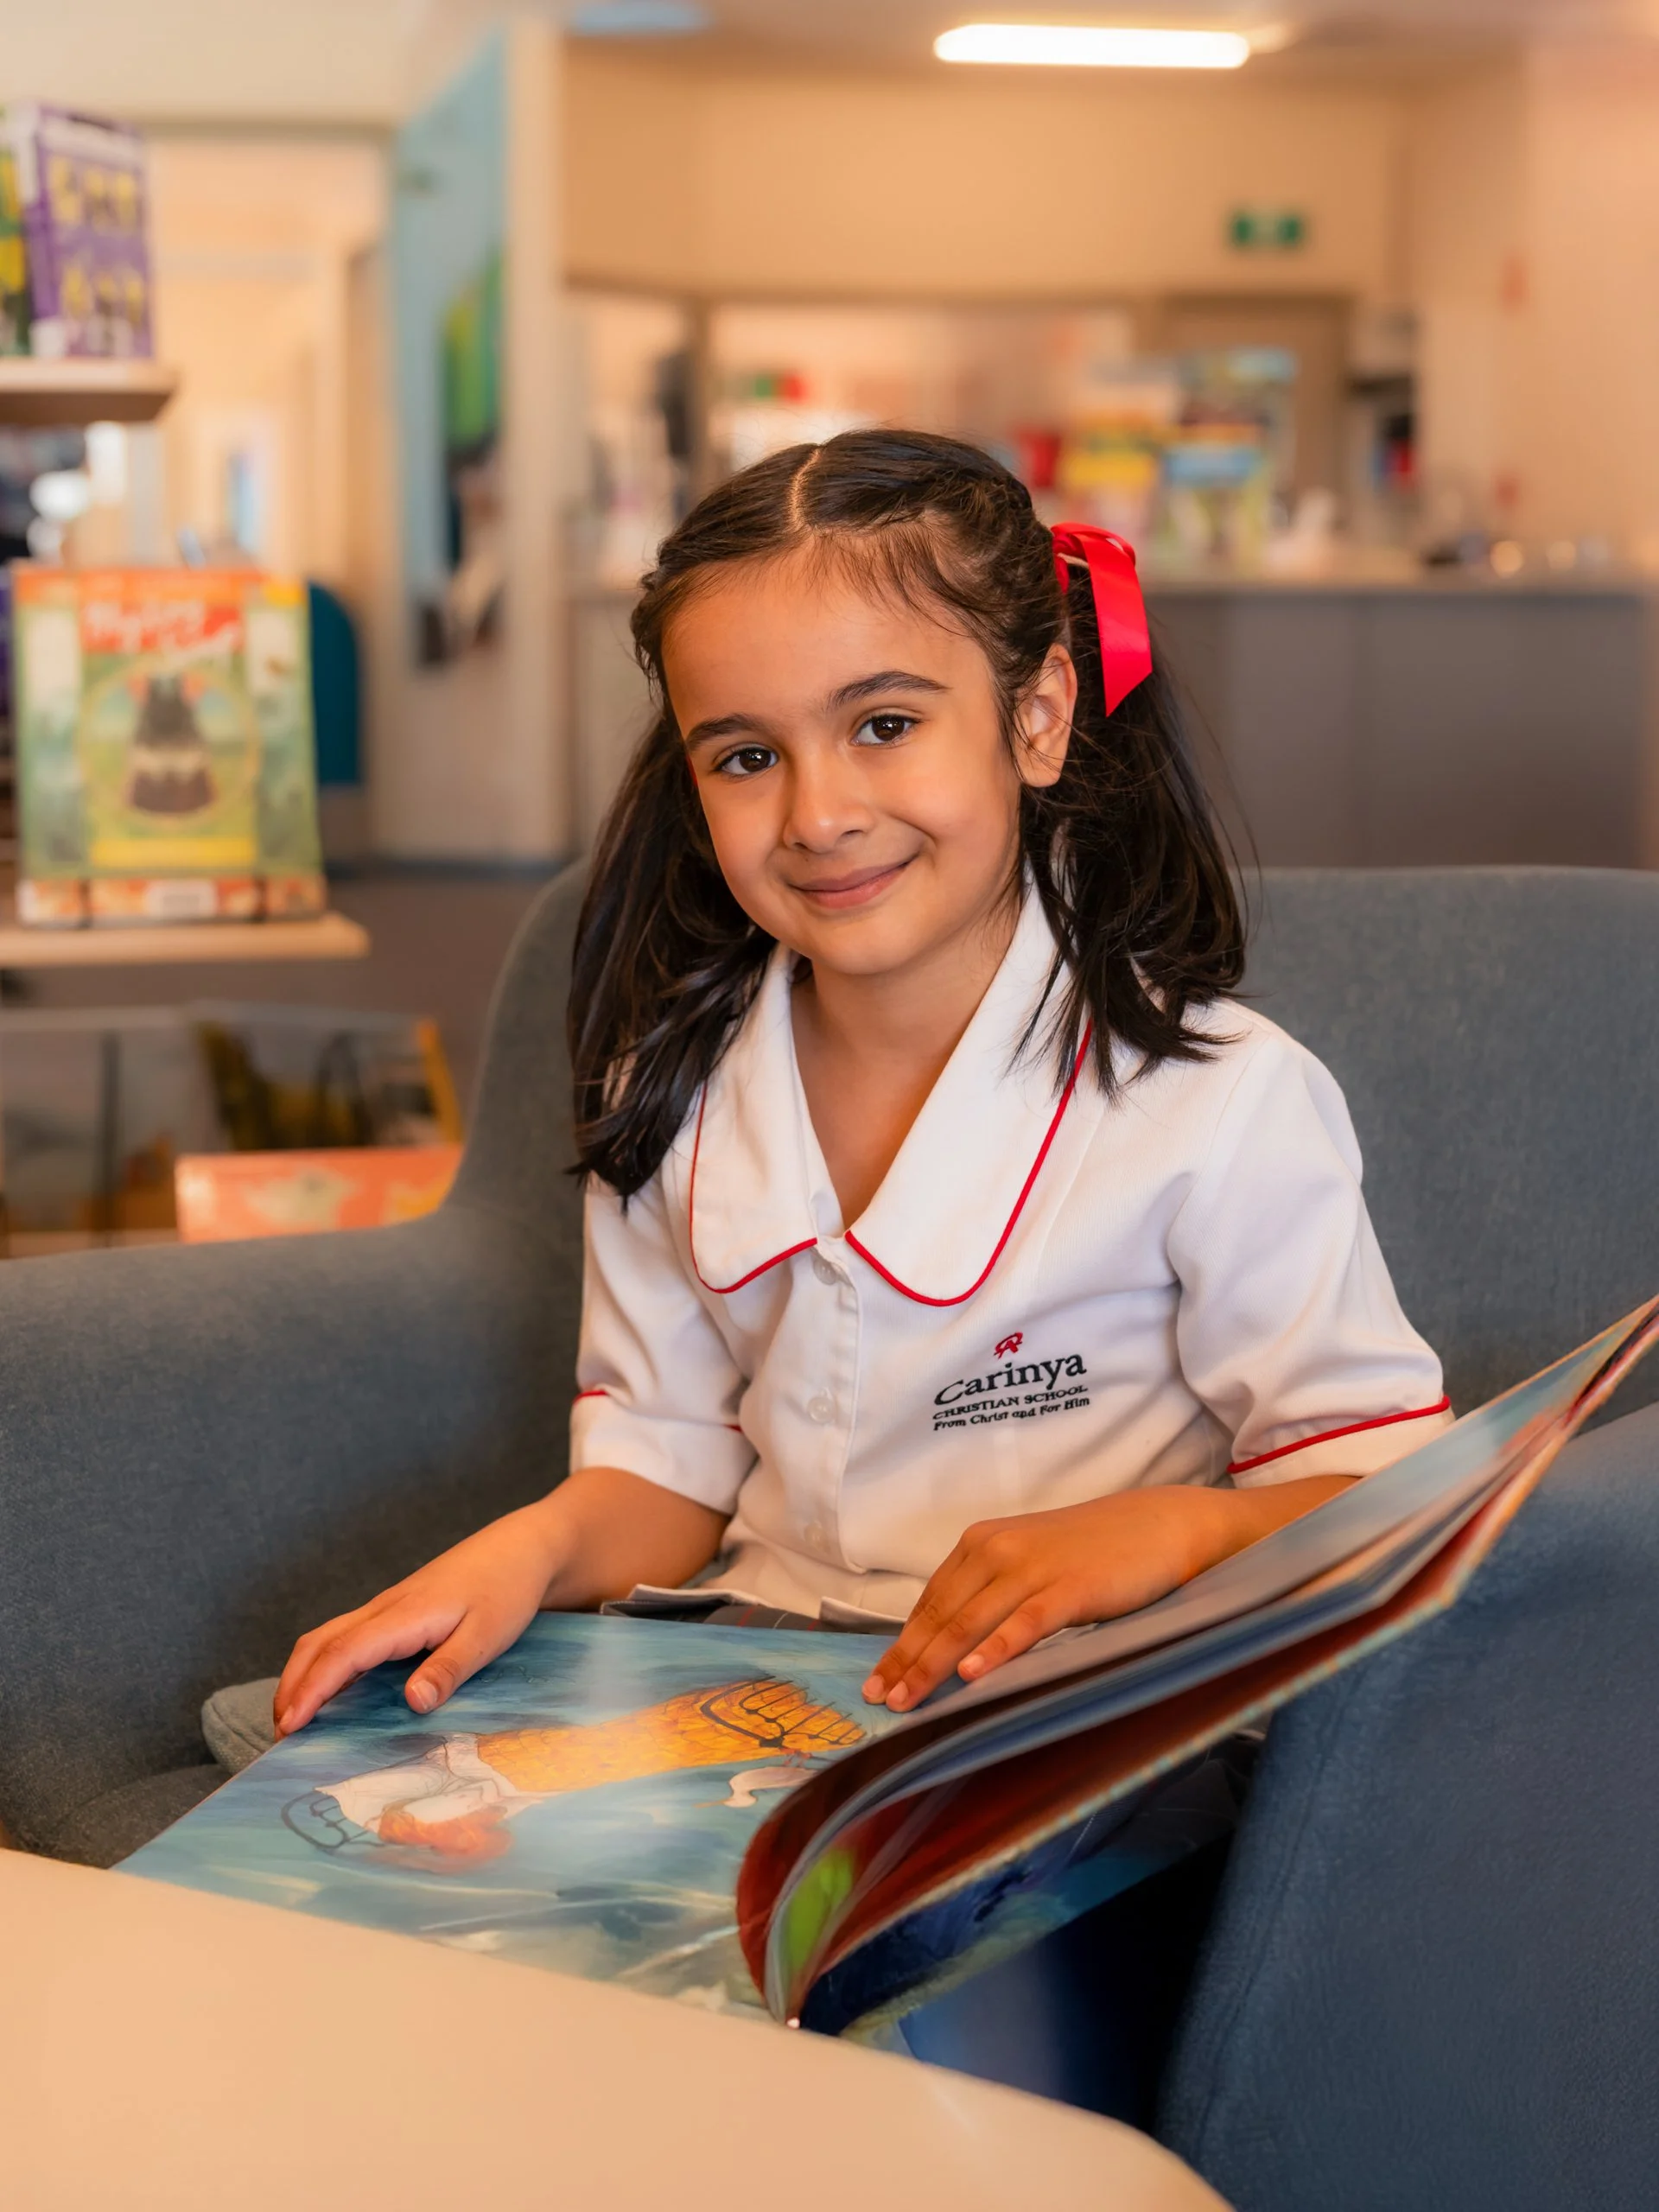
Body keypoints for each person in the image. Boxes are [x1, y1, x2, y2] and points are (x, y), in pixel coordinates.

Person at [273, 429, 1450, 1742]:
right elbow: (670, 1468)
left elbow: (1397, 1494)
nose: (817, 814)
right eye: (743, 756)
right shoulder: (672, 1091)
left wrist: (1172, 1532)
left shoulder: (1224, 1105)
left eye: (884, 725)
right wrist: (529, 1557)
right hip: (748, 1695)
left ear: (1039, 715)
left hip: (1080, 1726)